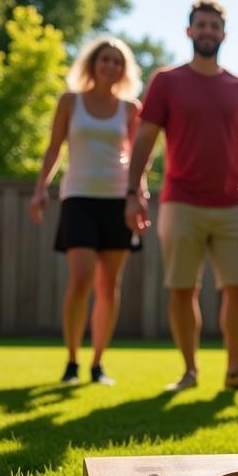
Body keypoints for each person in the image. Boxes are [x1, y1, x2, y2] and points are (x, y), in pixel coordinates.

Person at [124, 0, 238, 391]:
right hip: (180, 202)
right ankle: (189, 371)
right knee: (182, 289)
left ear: (224, 34)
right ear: (188, 31)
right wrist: (133, 191)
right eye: (201, 25)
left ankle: (234, 371)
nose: (207, 32)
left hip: (234, 205)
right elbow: (144, 139)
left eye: (214, 26)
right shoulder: (166, 81)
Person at [29, 37, 142, 386]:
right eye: (105, 59)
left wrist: (138, 197)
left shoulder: (130, 109)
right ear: (92, 64)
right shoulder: (70, 102)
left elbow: (138, 160)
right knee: (80, 279)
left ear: (124, 70)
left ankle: (97, 364)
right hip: (78, 198)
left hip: (117, 201)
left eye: (117, 62)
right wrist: (39, 190)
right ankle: (72, 360)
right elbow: (53, 149)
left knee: (109, 285)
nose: (110, 66)